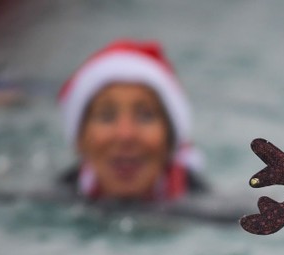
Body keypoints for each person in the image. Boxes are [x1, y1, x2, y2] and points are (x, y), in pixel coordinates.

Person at [57, 39, 207, 202]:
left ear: (171, 139)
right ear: (80, 139)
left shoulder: (212, 211)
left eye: (146, 116)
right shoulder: (49, 201)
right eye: (106, 116)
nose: (125, 135)